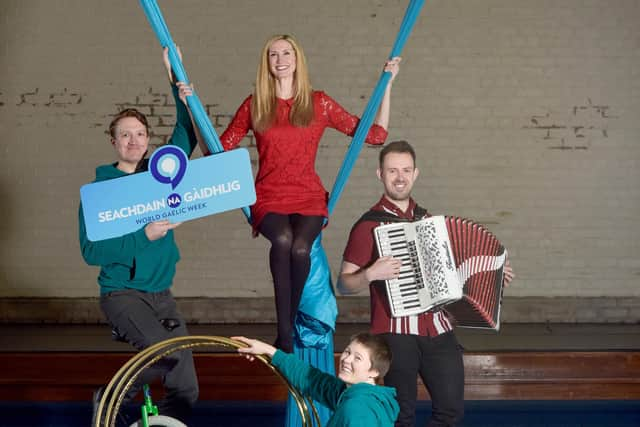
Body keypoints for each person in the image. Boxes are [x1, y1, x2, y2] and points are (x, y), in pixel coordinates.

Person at [198, 34, 401, 353]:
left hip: (308, 196)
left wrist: (387, 84)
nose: (280, 59)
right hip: (268, 195)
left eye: (286, 53)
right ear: (266, 63)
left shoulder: (317, 102)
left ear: (297, 59)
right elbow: (216, 150)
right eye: (273, 54)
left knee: (300, 249)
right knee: (281, 240)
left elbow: (374, 135)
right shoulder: (256, 104)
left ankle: (288, 331)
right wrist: (191, 106)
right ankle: (284, 332)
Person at [337, 140, 514, 427]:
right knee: (401, 418)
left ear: (415, 174)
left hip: (438, 330)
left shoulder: (430, 222)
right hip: (395, 334)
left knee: (450, 413)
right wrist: (370, 273)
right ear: (380, 174)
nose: (399, 177)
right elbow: (343, 284)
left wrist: (493, 273)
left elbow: (455, 274)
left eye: (406, 170)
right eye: (392, 170)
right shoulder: (367, 226)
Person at [79, 48, 199, 425]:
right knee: (162, 355)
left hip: (161, 294)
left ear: (148, 139)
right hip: (122, 294)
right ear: (113, 141)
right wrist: (144, 235)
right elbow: (90, 251)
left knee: (187, 388)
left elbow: (186, 135)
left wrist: (173, 76)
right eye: (125, 135)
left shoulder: (159, 175)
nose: (134, 140)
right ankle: (110, 397)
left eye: (140, 134)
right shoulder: (99, 191)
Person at [234, 333, 400, 427]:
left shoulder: (357, 408)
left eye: (357, 358)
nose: (346, 360)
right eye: (347, 352)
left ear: (374, 371)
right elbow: (312, 379)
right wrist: (269, 351)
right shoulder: (355, 394)